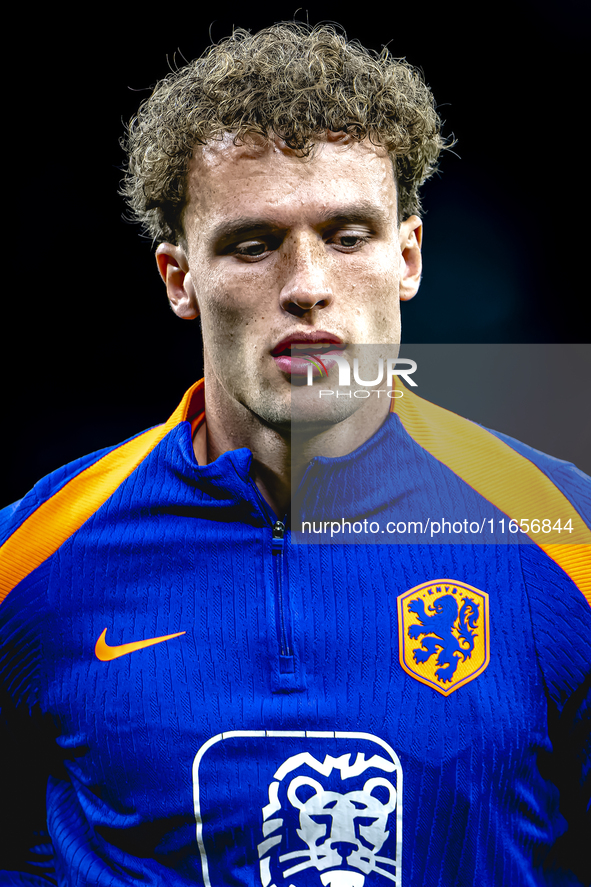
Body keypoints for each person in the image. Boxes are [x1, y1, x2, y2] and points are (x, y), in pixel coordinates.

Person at [1, 21, 589, 887]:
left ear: (407, 257)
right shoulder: (33, 559)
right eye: (253, 244)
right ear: (178, 279)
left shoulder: (564, 536)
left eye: (348, 235)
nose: (306, 284)